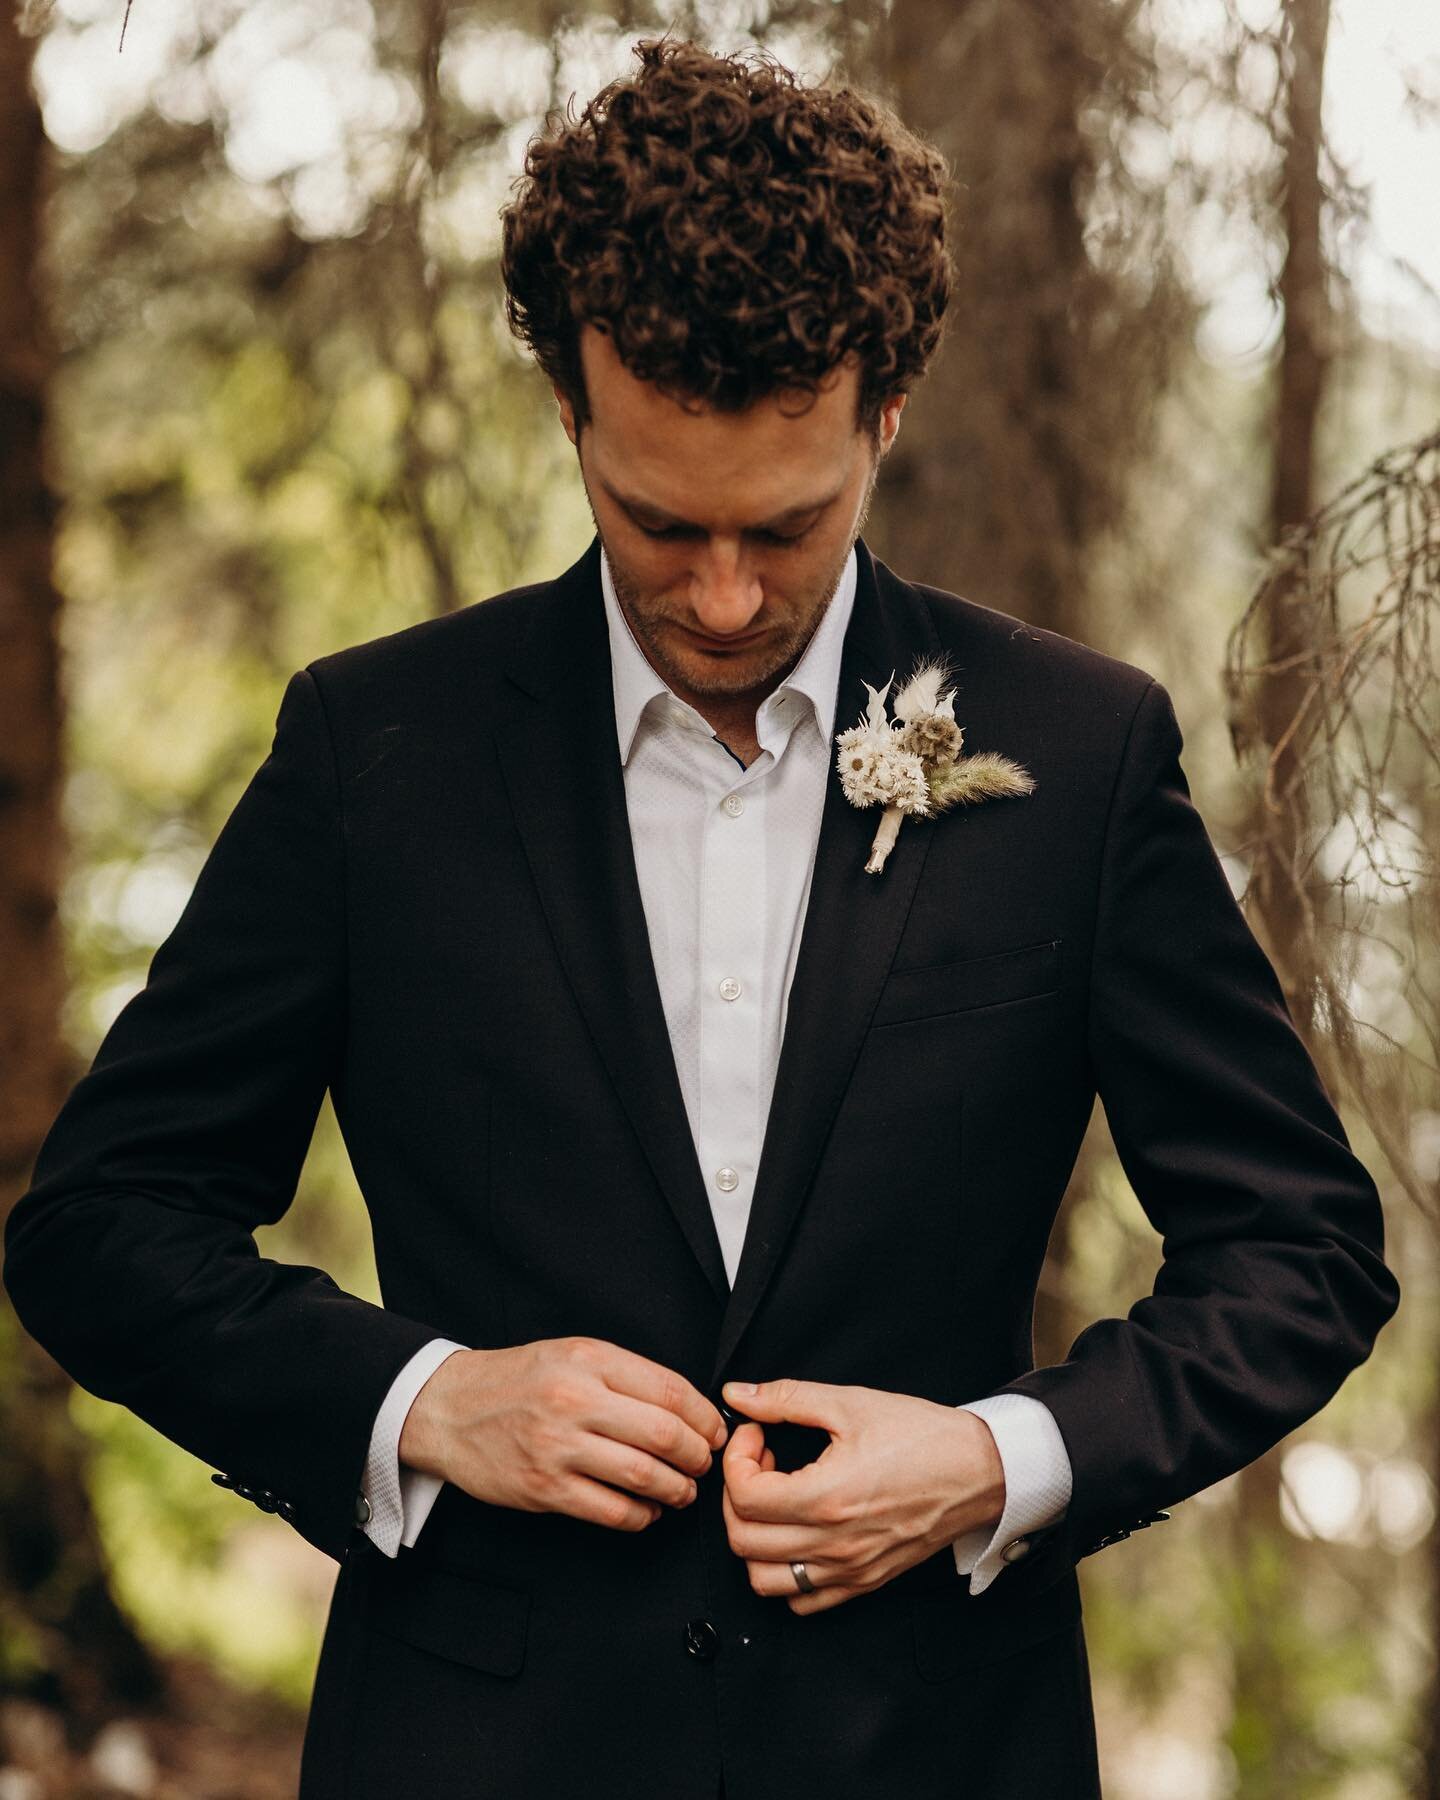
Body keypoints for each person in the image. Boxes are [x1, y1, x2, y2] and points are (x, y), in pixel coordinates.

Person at [4, 38, 1397, 1800]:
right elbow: (104, 1224)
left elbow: (1301, 1251)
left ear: (886, 417)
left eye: (789, 528)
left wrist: (998, 1457)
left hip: (934, 1748)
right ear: (570, 412)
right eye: (657, 523)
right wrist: (420, 1400)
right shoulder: (379, 748)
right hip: (473, 1748)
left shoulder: (1079, 752)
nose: (725, 596)